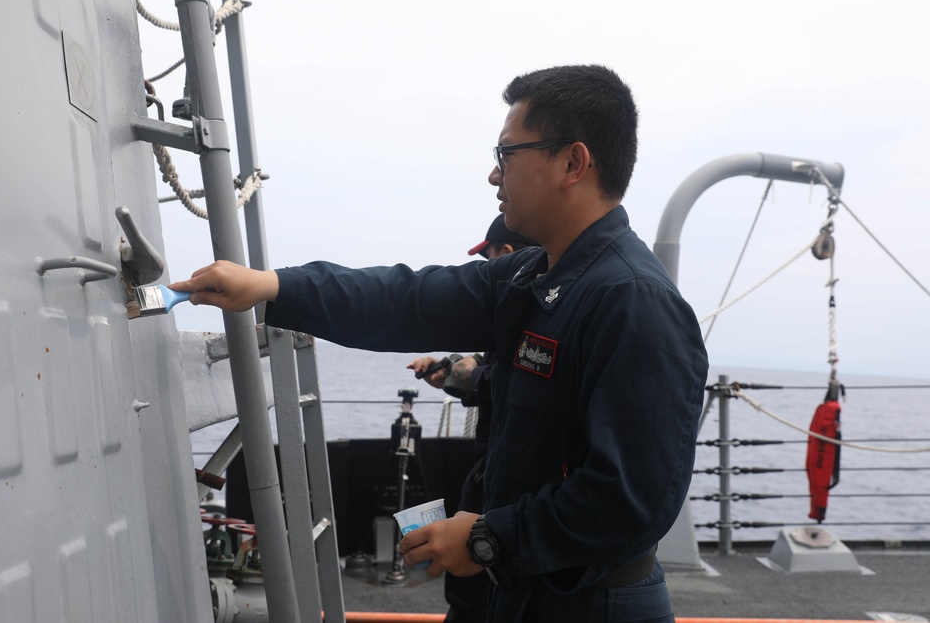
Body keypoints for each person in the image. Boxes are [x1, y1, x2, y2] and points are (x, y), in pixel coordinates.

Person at [171, 64, 709, 623]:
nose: (493, 176)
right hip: (517, 594)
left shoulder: (635, 303)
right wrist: (274, 287)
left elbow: (633, 504)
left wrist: (486, 538)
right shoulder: (531, 278)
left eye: (507, 155)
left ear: (572, 162)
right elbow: (408, 298)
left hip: (589, 605)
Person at [407, 215, 538, 623]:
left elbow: (511, 380)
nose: (484, 269)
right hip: (496, 477)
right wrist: (447, 369)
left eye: (489, 259)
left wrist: (469, 376)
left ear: (508, 257)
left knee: (473, 598)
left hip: (498, 490)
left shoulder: (527, 316)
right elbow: (490, 365)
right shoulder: (521, 318)